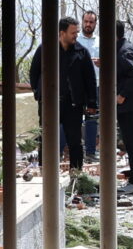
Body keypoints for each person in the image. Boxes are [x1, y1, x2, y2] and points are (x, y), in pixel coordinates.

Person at [27, 17, 97, 189]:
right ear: (62, 33)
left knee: (75, 142)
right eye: (73, 33)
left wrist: (91, 102)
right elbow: (34, 72)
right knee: (46, 140)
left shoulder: (81, 52)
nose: (76, 35)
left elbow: (89, 78)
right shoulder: (46, 49)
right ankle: (45, 178)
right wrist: (38, 93)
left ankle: (76, 178)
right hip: (49, 104)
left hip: (73, 105)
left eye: (77, 32)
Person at [103, 28, 133, 190]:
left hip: (130, 104)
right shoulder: (121, 48)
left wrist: (122, 94)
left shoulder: (124, 50)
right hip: (128, 104)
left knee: (131, 142)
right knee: (130, 142)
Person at [76, 11, 103, 162]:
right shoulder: (75, 39)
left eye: (91, 22)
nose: (88, 24)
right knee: (73, 119)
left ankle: (90, 152)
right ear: (82, 22)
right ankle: (71, 152)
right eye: (86, 21)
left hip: (95, 86)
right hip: (77, 86)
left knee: (92, 120)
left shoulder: (100, 41)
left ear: (95, 24)